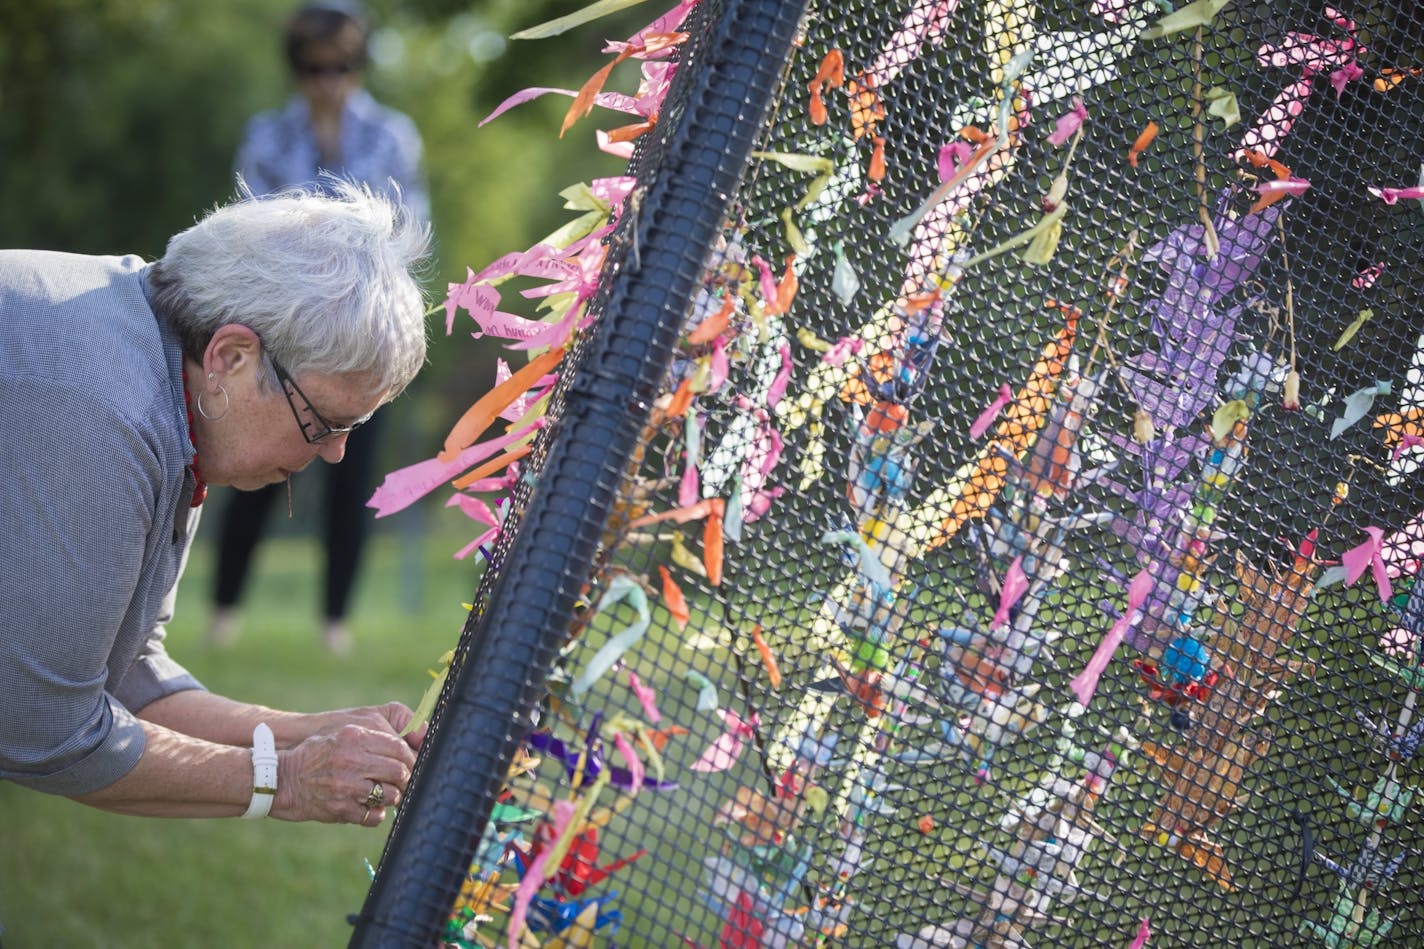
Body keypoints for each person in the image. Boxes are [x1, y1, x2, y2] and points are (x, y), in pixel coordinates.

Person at [0, 179, 429, 827]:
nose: (336, 452)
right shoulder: (111, 411)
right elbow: (40, 728)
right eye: (323, 421)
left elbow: (127, 672)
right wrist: (284, 782)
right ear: (232, 355)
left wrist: (309, 734)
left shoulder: (175, 380)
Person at [214, 0, 430, 653]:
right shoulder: (266, 135)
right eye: (315, 66)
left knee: (351, 478)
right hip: (282, 333)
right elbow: (250, 228)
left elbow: (411, 229)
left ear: (358, 64)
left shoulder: (395, 135)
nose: (329, 79)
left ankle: (335, 622)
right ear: (297, 68)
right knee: (256, 468)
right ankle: (224, 613)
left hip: (363, 335)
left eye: (341, 65)